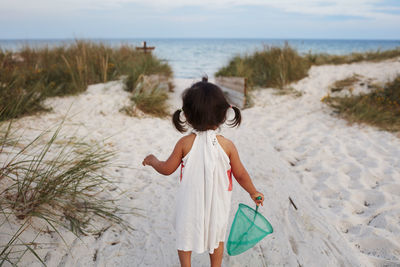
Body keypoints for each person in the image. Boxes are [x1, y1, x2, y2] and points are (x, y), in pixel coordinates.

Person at [142, 77, 264, 267]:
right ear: (224, 115)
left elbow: (166, 169)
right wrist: (253, 192)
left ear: (187, 116)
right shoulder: (227, 145)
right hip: (218, 205)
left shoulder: (184, 143)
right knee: (217, 239)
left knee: (185, 237)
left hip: (190, 204)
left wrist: (153, 161)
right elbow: (240, 174)